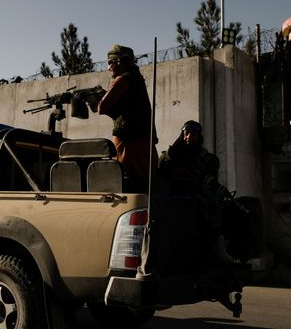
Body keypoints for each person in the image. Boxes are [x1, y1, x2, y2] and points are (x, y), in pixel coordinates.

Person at [159, 120, 236, 266]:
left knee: (212, 203)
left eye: (193, 134)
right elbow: (162, 167)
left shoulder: (206, 158)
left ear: (199, 136)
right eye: (186, 133)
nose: (189, 137)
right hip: (174, 194)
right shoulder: (174, 153)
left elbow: (208, 179)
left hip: (195, 193)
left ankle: (218, 248)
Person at [97, 44, 156, 193]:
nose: (108, 68)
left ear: (119, 62)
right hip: (143, 139)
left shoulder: (123, 80)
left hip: (128, 141)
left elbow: (102, 107)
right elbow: (125, 109)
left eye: (110, 63)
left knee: (124, 178)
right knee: (143, 181)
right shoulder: (137, 80)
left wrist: (96, 99)